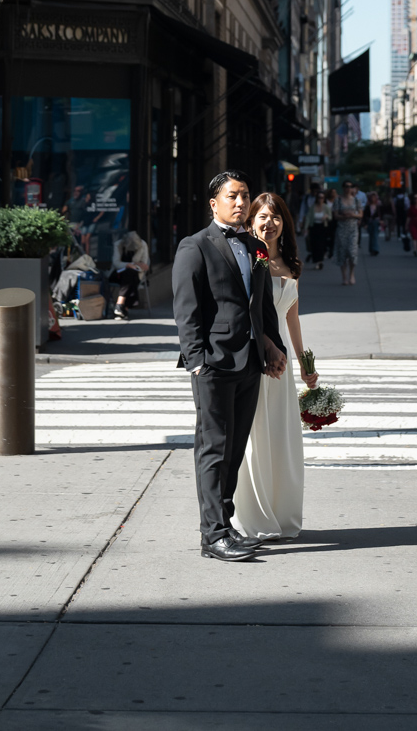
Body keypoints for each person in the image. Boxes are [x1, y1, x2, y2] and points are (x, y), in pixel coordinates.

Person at [172, 169, 287, 563]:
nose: (241, 203)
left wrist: (274, 347)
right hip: (214, 365)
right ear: (214, 203)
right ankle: (213, 536)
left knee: (234, 449)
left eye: (245, 195)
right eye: (233, 196)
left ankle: (225, 524)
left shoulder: (254, 246)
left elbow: (263, 304)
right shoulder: (195, 246)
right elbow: (186, 309)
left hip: (250, 362)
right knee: (213, 449)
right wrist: (197, 362)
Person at [232, 192, 319, 540]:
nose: (269, 223)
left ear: (285, 224)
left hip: (280, 367)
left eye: (276, 217)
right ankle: (250, 520)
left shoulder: (292, 265)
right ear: (252, 221)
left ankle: (280, 515)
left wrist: (305, 364)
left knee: (280, 440)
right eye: (263, 217)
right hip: (253, 361)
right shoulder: (245, 259)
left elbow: (292, 320)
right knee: (253, 441)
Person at [109, 229, 150, 320]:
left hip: (135, 274)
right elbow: (116, 263)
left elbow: (145, 265)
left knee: (131, 274)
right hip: (118, 274)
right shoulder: (118, 244)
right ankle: (123, 308)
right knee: (130, 275)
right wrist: (128, 265)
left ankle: (120, 306)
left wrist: (134, 266)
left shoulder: (142, 245)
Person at [333, 184, 362, 285]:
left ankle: (352, 274)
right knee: (342, 252)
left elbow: (360, 214)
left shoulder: (356, 200)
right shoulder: (338, 200)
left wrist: (352, 215)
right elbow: (335, 215)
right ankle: (344, 277)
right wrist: (343, 216)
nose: (348, 188)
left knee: (352, 251)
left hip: (353, 228)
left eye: (350, 186)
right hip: (342, 228)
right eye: (346, 186)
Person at [305, 190, 330, 269]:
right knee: (314, 244)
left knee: (321, 245)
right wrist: (306, 227)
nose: (320, 199)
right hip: (314, 227)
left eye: (322, 197)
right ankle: (316, 261)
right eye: (319, 197)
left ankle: (320, 261)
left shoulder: (326, 207)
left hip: (322, 227)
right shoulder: (313, 207)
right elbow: (308, 217)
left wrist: (326, 217)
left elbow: (331, 217)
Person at [364, 190, 382, 256]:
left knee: (375, 235)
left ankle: (375, 249)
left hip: (376, 222)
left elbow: (381, 214)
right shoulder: (367, 206)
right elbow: (365, 215)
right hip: (369, 222)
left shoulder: (378, 205)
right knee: (371, 236)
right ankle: (371, 249)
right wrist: (365, 224)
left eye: (374, 197)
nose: (373, 198)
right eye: (372, 197)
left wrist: (381, 220)